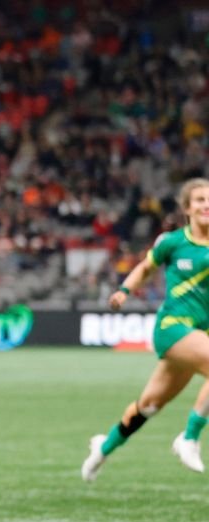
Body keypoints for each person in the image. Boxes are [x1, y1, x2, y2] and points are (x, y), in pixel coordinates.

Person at [81, 177, 209, 481]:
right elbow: (145, 268)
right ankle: (189, 437)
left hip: (198, 336)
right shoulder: (172, 242)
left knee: (149, 406)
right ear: (187, 208)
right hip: (172, 328)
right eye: (200, 200)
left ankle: (103, 447)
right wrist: (125, 291)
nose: (207, 205)